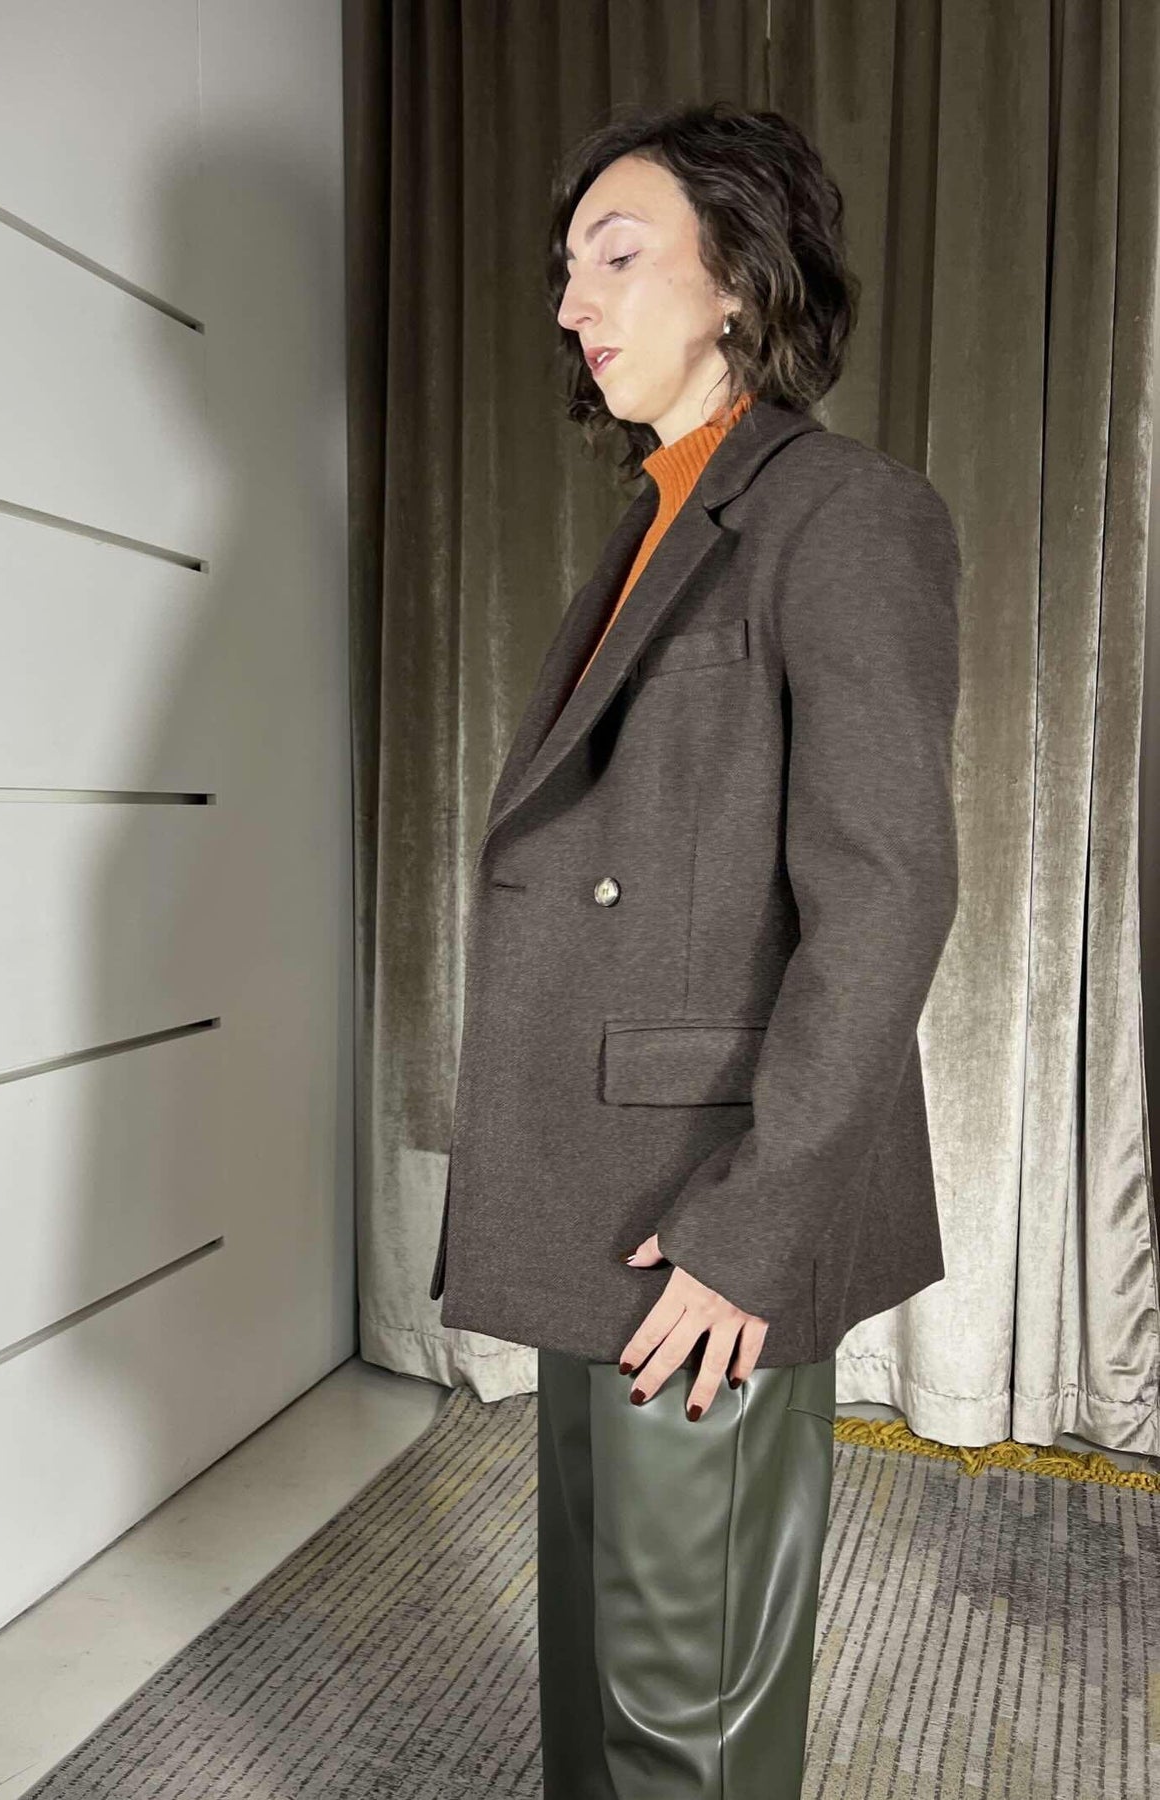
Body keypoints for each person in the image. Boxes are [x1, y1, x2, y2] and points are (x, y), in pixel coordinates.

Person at [428, 100, 961, 1800]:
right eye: (564, 266)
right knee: (604, 1660)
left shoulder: (843, 515)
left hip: (705, 1205)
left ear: (737, 276)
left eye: (616, 254)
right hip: (598, 1175)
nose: (570, 302)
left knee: (681, 1698)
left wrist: (750, 1229)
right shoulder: (661, 512)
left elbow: (884, 894)